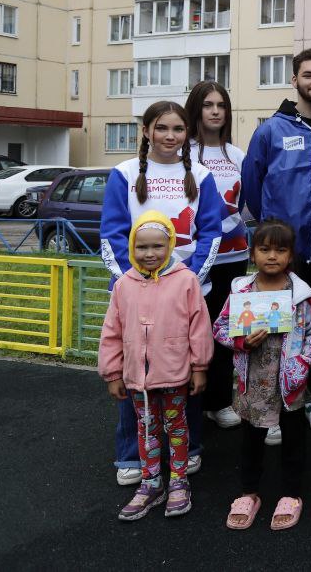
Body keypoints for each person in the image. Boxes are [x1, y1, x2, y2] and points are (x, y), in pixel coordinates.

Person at [101, 100, 224, 486]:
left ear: (187, 133)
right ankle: (130, 456)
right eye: (161, 128)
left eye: (178, 129)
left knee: (184, 372)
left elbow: (211, 234)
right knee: (134, 369)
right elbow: (112, 233)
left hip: (185, 291)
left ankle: (190, 449)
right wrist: (133, 284)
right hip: (133, 294)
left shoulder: (201, 176)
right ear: (146, 130)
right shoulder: (122, 174)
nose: (170, 136)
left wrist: (184, 279)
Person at [242, 48, 311, 436]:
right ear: (295, 80)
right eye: (308, 75)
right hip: (282, 257)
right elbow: (253, 189)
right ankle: (272, 403)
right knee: (274, 330)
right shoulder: (270, 131)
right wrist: (274, 235)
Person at [214, 219, 311, 532]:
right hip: (252, 382)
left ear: (291, 256)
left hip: (289, 383)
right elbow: (220, 327)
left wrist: (303, 363)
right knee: (251, 440)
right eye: (264, 249)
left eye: (281, 250)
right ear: (253, 254)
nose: (272, 256)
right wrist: (240, 341)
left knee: (293, 440)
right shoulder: (242, 291)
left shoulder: (301, 295)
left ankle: (291, 494)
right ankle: (248, 492)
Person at [98, 212, 213, 521]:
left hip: (174, 373)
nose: (149, 254)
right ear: (132, 248)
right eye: (141, 247)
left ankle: (178, 480)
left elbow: (199, 327)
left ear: (170, 245)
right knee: (146, 428)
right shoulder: (124, 285)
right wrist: (112, 372)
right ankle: (150, 483)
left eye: (157, 246)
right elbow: (112, 330)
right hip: (137, 378)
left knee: (176, 427)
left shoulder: (186, 280)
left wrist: (199, 366)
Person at [185, 81, 249, 432]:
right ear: (195, 109)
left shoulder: (237, 156)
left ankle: (220, 401)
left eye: (221, 105)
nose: (214, 111)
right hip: (196, 260)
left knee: (227, 331)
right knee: (196, 331)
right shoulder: (184, 154)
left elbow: (244, 206)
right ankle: (192, 398)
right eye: (207, 104)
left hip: (234, 258)